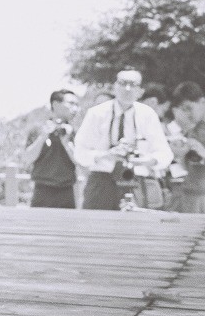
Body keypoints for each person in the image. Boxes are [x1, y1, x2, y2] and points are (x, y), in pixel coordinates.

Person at [74, 69, 173, 210]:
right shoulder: (97, 113)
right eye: (122, 83)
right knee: (96, 223)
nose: (127, 89)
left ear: (140, 91)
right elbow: (80, 152)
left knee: (135, 224)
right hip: (102, 181)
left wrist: (144, 160)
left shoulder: (147, 115)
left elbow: (165, 154)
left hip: (136, 181)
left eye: (133, 85)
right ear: (114, 87)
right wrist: (106, 155)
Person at [22, 90, 80, 208]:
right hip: (42, 190)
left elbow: (80, 161)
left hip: (67, 191)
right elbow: (27, 158)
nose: (75, 109)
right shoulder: (38, 128)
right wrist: (43, 136)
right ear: (55, 104)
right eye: (71, 103)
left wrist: (66, 142)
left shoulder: (74, 131)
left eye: (77, 105)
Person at [166, 82, 205, 213]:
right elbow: (187, 166)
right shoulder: (192, 129)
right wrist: (178, 154)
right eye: (183, 109)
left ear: (202, 102)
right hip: (187, 192)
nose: (188, 114)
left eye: (189, 108)